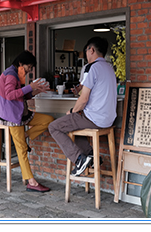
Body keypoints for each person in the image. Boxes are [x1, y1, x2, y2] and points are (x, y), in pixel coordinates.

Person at [49, 37, 117, 176]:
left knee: (54, 127)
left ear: (91, 50)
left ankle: (79, 160)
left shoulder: (93, 68)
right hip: (109, 120)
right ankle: (91, 156)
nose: (86, 54)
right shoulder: (109, 68)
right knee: (74, 125)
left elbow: (83, 98)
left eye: (86, 50)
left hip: (94, 118)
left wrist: (72, 111)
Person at [0, 50, 54, 192]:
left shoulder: (17, 74)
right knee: (21, 149)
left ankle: (26, 135)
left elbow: (20, 96)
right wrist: (30, 87)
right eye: (29, 67)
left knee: (49, 120)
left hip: (22, 114)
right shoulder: (11, 74)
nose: (29, 70)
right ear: (21, 63)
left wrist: (34, 91)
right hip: (11, 117)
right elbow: (9, 95)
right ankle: (31, 181)